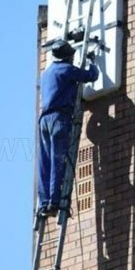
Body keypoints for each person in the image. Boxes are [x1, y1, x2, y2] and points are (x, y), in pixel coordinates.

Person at [38, 39, 99, 218]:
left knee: (45, 163)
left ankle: (44, 203)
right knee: (57, 161)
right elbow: (91, 76)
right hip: (59, 118)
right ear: (68, 56)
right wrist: (92, 62)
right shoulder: (67, 69)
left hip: (44, 121)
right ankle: (54, 202)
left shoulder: (46, 73)